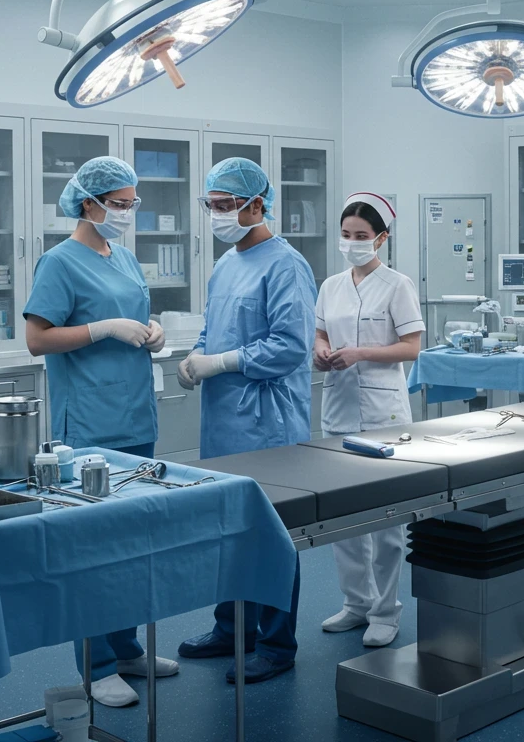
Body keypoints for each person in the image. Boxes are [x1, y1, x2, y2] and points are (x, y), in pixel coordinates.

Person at [23, 155, 176, 708]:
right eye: (120, 203)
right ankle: (97, 664)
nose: (129, 212)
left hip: (134, 413)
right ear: (88, 203)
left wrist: (152, 330)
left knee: (134, 542)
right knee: (93, 547)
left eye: (132, 203)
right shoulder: (59, 262)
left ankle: (127, 647)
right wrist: (101, 328)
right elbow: (38, 340)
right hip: (88, 422)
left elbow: (135, 312)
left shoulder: (125, 256)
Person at [174, 157, 316, 684]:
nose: (217, 214)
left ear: (258, 204)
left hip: (267, 422)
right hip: (223, 420)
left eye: (226, 205)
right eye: (211, 205)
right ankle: (232, 629)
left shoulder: (286, 265)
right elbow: (216, 328)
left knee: (274, 535)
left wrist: (225, 362)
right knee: (229, 530)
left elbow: (290, 346)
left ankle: (277, 644)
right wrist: (197, 356)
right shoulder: (226, 263)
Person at [314, 193, 424, 648]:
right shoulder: (331, 286)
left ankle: (385, 611)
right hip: (338, 409)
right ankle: (356, 602)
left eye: (361, 236)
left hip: (384, 414)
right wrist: (321, 352)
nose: (353, 243)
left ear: (381, 238)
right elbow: (321, 330)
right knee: (343, 518)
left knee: (386, 521)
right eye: (346, 235)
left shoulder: (397, 285)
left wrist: (360, 353)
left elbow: (412, 347)